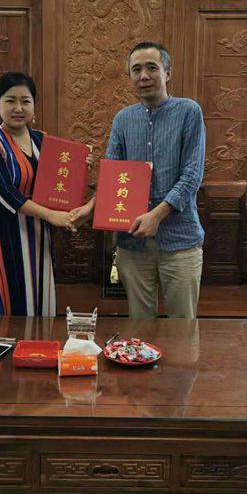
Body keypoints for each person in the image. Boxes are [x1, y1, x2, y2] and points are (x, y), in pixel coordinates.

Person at [71, 41, 206, 319]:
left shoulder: (189, 112)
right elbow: (112, 176)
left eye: (152, 68)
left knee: (183, 326)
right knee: (140, 326)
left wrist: (156, 215)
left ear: (167, 73)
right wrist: (90, 208)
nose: (143, 76)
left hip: (180, 240)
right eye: (136, 70)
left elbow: (192, 175)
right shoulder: (123, 119)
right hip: (132, 243)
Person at [0, 71, 87, 317]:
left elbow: (58, 183)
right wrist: (51, 215)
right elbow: (6, 193)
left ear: (34, 105)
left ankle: (37, 343)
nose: (18, 108)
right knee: (7, 299)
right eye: (10, 100)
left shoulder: (42, 141)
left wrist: (80, 166)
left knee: (37, 295)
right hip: (3, 229)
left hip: (36, 231)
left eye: (25, 101)